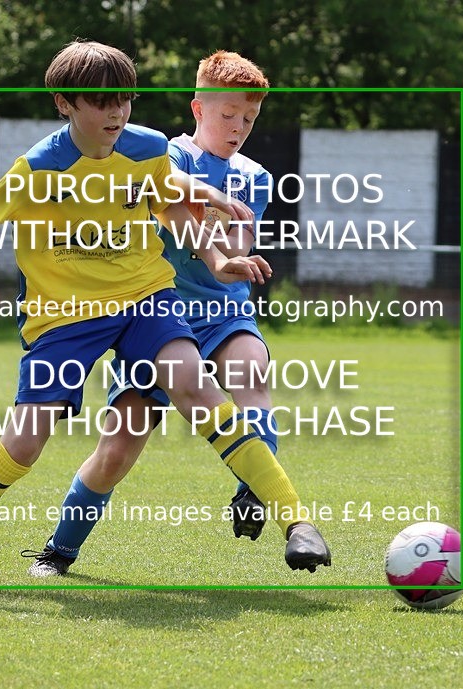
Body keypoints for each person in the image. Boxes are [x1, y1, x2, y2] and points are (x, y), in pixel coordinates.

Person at [0, 40, 329, 590]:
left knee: (193, 382)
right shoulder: (39, 169)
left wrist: (217, 258)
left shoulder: (143, 145)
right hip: (65, 317)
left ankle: (296, 520)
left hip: (145, 297)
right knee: (24, 443)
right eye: (101, 101)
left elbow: (167, 204)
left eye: (125, 98)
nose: (117, 111)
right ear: (65, 103)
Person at [24, 50, 331, 578]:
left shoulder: (254, 177)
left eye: (249, 120)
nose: (238, 128)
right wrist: (205, 227)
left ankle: (255, 489)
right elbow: (173, 222)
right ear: (198, 109)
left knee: (252, 370)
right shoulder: (166, 156)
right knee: (117, 451)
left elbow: (230, 252)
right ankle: (60, 549)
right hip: (155, 317)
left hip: (221, 314)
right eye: (227, 116)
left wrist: (230, 256)